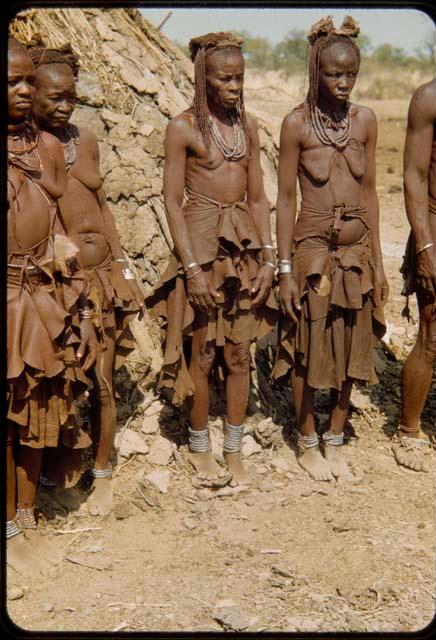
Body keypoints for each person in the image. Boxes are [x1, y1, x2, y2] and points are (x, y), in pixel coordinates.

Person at [148, 32, 278, 487]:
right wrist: (192, 270)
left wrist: (268, 258)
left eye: (240, 77)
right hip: (202, 249)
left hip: (242, 250)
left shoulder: (248, 128)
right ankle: (200, 443)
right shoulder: (182, 128)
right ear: (204, 78)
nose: (235, 87)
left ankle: (235, 448)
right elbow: (170, 202)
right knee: (202, 353)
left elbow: (259, 198)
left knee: (240, 354)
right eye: (225, 78)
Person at [29, 42, 145, 516]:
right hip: (58, 287)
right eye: (54, 96)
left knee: (103, 381)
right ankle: (53, 479)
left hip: (102, 279)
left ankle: (103, 476)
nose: (64, 105)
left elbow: (103, 210)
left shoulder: (87, 139)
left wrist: (122, 266)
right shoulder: (27, 151)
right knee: (61, 383)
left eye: (71, 96)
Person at [273, 16, 388, 481]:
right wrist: (284, 269)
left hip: (357, 247)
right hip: (313, 245)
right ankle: (306, 440)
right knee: (310, 341)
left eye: (351, 75)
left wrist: (378, 262)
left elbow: (373, 193)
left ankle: (336, 436)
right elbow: (283, 200)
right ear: (315, 72)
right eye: (333, 74)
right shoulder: (296, 125)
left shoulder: (366, 121)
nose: (343, 84)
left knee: (352, 340)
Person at [7, 37, 97, 577]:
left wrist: (79, 305)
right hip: (8, 298)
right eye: (11, 83)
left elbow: (59, 229)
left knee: (37, 410)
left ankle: (25, 517)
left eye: (27, 81)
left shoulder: (42, 147)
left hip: (43, 295)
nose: (24, 91)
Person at [392, 77, 436, 471]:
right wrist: (425, 248)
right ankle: (408, 431)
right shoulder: (429, 97)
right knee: (432, 333)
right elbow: (414, 177)